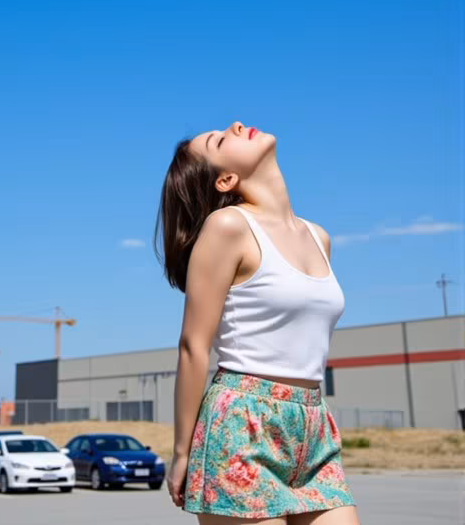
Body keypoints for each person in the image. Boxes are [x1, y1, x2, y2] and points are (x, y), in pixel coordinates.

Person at [154, 121, 360, 524]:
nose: (234, 125)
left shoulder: (320, 237)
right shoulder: (228, 226)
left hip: (313, 424)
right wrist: (182, 452)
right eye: (218, 140)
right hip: (241, 425)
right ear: (226, 179)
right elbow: (194, 346)